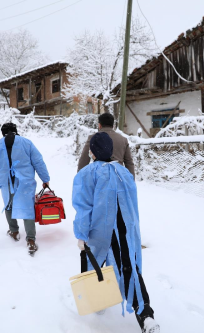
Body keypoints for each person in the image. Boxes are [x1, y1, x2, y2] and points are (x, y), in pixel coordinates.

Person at [72, 132, 159, 333]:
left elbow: (83, 207)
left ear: (91, 152)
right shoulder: (124, 173)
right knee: (129, 268)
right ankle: (145, 314)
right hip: (125, 231)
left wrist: (81, 235)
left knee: (92, 265)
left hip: (98, 232)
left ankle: (97, 302)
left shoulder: (86, 174)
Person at [0, 123, 50, 255]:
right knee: (27, 207)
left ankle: (14, 231)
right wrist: (45, 179)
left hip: (6, 181)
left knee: (8, 205)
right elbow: (38, 161)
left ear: (3, 133)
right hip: (25, 181)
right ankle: (31, 240)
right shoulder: (26, 143)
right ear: (16, 131)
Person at [77, 113, 135, 178]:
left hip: (99, 178)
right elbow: (129, 163)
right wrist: (131, 181)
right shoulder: (123, 139)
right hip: (118, 178)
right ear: (113, 125)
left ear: (99, 125)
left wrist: (80, 178)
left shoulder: (93, 138)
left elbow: (84, 160)